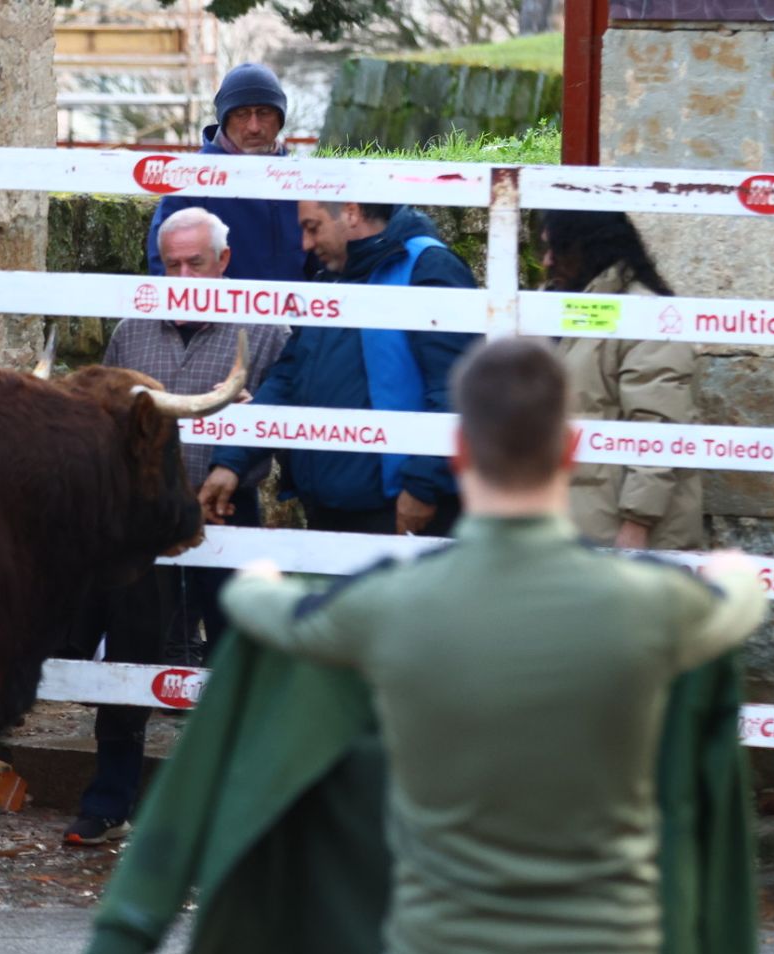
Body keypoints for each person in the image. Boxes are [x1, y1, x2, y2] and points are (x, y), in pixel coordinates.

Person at [216, 337, 766, 954]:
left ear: (460, 455)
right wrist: (734, 575)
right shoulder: (654, 605)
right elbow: (739, 597)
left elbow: (272, 611)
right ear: (569, 452)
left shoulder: (394, 601)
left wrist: (255, 574)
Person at [62, 206, 290, 848]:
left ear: (225, 260)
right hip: (145, 519)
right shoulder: (132, 330)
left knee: (232, 652)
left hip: (226, 511)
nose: (183, 274)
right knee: (129, 657)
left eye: (196, 261)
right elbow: (105, 425)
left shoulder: (266, 328)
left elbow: (287, 411)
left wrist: (241, 448)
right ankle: (109, 802)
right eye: (171, 263)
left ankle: (235, 805)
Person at [199, 200, 477, 536]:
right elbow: (287, 380)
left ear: (351, 212)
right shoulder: (329, 280)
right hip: (329, 514)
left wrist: (422, 487)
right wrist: (232, 459)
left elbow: (458, 392)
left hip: (401, 514)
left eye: (312, 227)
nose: (305, 245)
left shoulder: (427, 269)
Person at [539, 209, 702, 549]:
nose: (548, 262)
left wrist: (637, 522)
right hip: (578, 523)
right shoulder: (558, 308)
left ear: (589, 248)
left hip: (620, 528)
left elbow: (658, 426)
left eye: (558, 249)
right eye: (545, 249)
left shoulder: (644, 317)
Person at [145, 63, 308, 284]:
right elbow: (163, 259)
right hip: (219, 315)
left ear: (279, 118)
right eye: (242, 114)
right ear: (224, 119)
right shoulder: (193, 178)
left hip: (296, 311)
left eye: (264, 113)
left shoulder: (302, 179)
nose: (254, 126)